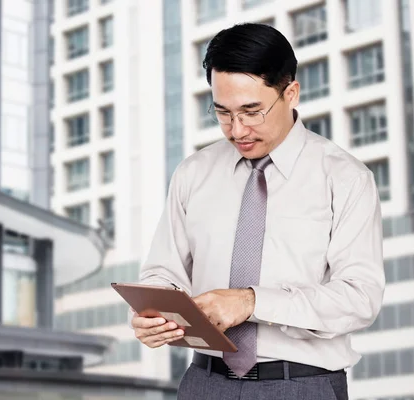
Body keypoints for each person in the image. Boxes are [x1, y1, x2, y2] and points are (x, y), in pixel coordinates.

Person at [130, 23, 385, 400]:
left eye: (252, 111)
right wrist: (152, 313)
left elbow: (359, 299)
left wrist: (251, 302)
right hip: (204, 383)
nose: (237, 130)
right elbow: (163, 271)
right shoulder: (194, 173)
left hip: (301, 386)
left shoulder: (345, 178)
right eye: (223, 112)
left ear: (291, 93)